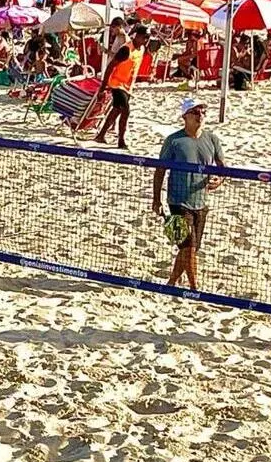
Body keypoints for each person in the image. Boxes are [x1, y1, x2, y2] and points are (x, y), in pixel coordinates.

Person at [152, 99, 226, 290]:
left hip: (201, 201)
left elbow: (222, 167)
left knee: (191, 249)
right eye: (195, 112)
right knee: (188, 247)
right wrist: (156, 199)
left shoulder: (212, 139)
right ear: (185, 116)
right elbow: (160, 170)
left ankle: (171, 282)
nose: (200, 115)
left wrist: (220, 180)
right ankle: (194, 288)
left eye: (203, 112)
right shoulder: (174, 141)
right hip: (177, 201)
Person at [94, 25, 150, 150]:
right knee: (126, 110)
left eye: (147, 38)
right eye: (143, 37)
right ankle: (121, 140)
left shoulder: (141, 49)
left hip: (128, 85)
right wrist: (103, 86)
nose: (145, 40)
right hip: (116, 83)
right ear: (137, 36)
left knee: (116, 110)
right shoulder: (126, 49)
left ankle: (101, 135)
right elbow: (110, 66)